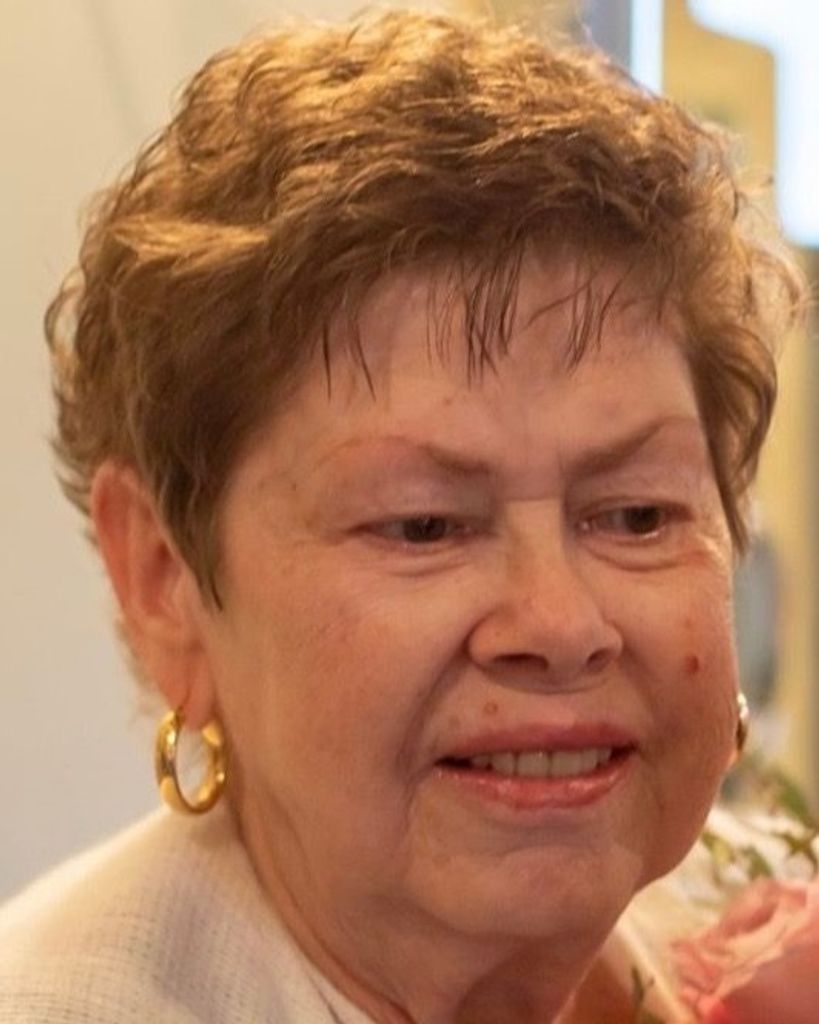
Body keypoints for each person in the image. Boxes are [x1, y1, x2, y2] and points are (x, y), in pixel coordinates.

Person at [0, 9, 808, 1023]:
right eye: (424, 525)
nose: (561, 624)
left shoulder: (747, 940)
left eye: (638, 515)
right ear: (163, 578)